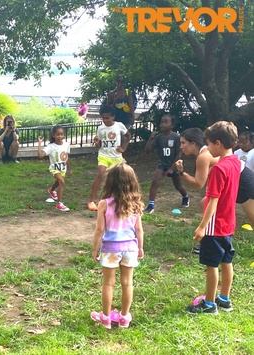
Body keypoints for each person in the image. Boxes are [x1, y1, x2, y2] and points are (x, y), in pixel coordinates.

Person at [185, 121, 240, 314]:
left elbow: (213, 201)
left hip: (214, 225)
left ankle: (209, 304)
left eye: (208, 144)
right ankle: (224, 299)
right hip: (229, 223)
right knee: (226, 261)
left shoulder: (218, 168)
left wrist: (202, 227)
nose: (207, 148)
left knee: (212, 265)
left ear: (218, 143)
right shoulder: (236, 162)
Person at [176, 128, 254, 247]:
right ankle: (212, 240)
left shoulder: (204, 156)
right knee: (205, 203)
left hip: (244, 182)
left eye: (183, 143)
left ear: (193, 143)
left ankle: (214, 240)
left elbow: (199, 184)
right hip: (239, 178)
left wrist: (182, 173)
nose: (181, 147)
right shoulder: (207, 152)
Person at [90, 163, 144, 329]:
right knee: (128, 283)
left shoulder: (104, 204)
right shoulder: (135, 203)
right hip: (130, 248)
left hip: (110, 249)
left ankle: (105, 318)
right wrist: (140, 248)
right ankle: (124, 318)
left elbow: (99, 230)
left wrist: (94, 249)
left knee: (108, 283)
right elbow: (139, 229)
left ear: (110, 182)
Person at [87, 106, 132, 211]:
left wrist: (123, 148)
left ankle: (122, 199)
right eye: (103, 118)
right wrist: (97, 143)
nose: (106, 120)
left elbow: (128, 136)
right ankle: (92, 201)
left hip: (116, 157)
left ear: (113, 117)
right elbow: (98, 144)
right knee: (100, 174)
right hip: (104, 155)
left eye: (108, 118)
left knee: (121, 178)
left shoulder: (119, 126)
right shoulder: (100, 128)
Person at [143, 115, 189, 214]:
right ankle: (151, 205)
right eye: (161, 122)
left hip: (173, 164)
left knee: (178, 186)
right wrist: (150, 138)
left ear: (172, 125)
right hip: (162, 164)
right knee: (155, 181)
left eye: (166, 122)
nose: (162, 124)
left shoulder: (176, 137)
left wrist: (172, 168)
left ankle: (185, 197)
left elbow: (179, 154)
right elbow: (147, 150)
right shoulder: (159, 137)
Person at [37, 126, 72, 212]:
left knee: (58, 182)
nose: (60, 136)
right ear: (53, 135)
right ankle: (59, 204)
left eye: (61, 134)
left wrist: (69, 169)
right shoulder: (51, 147)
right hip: (54, 168)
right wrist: (39, 144)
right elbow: (41, 156)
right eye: (58, 134)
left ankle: (51, 190)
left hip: (63, 168)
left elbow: (67, 157)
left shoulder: (66, 145)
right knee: (61, 181)